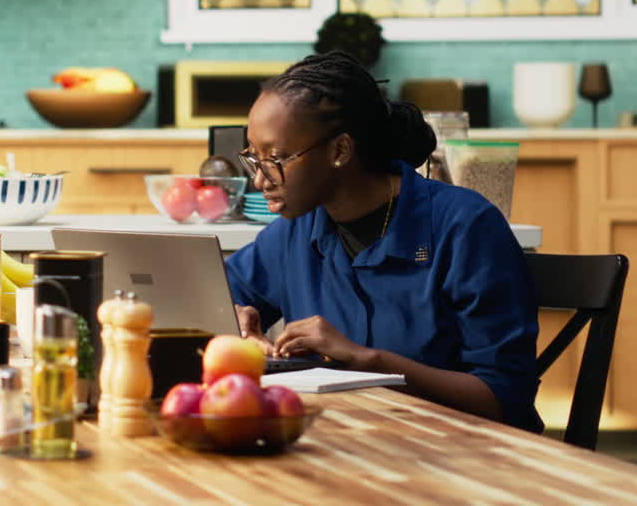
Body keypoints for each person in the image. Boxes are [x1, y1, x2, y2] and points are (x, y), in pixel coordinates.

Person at [225, 51, 543, 433]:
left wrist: (370, 361)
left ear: (340, 151)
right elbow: (219, 291)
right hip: (345, 447)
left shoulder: (465, 227)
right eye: (253, 158)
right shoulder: (298, 229)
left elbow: (502, 399)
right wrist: (236, 321)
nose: (260, 180)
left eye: (275, 158)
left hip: (466, 463)